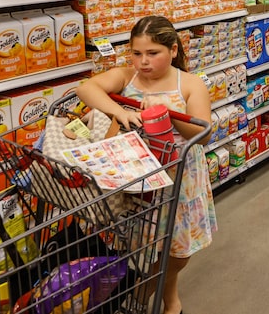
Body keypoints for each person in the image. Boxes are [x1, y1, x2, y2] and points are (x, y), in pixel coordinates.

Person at [76, 16, 216, 314]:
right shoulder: (126, 77)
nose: (143, 62)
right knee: (149, 242)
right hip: (134, 176)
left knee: (177, 251)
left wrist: (168, 115)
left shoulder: (190, 84)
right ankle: (172, 304)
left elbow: (203, 135)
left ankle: (142, 289)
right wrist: (121, 112)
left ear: (174, 51)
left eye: (153, 53)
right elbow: (86, 89)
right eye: (137, 53)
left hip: (177, 177)